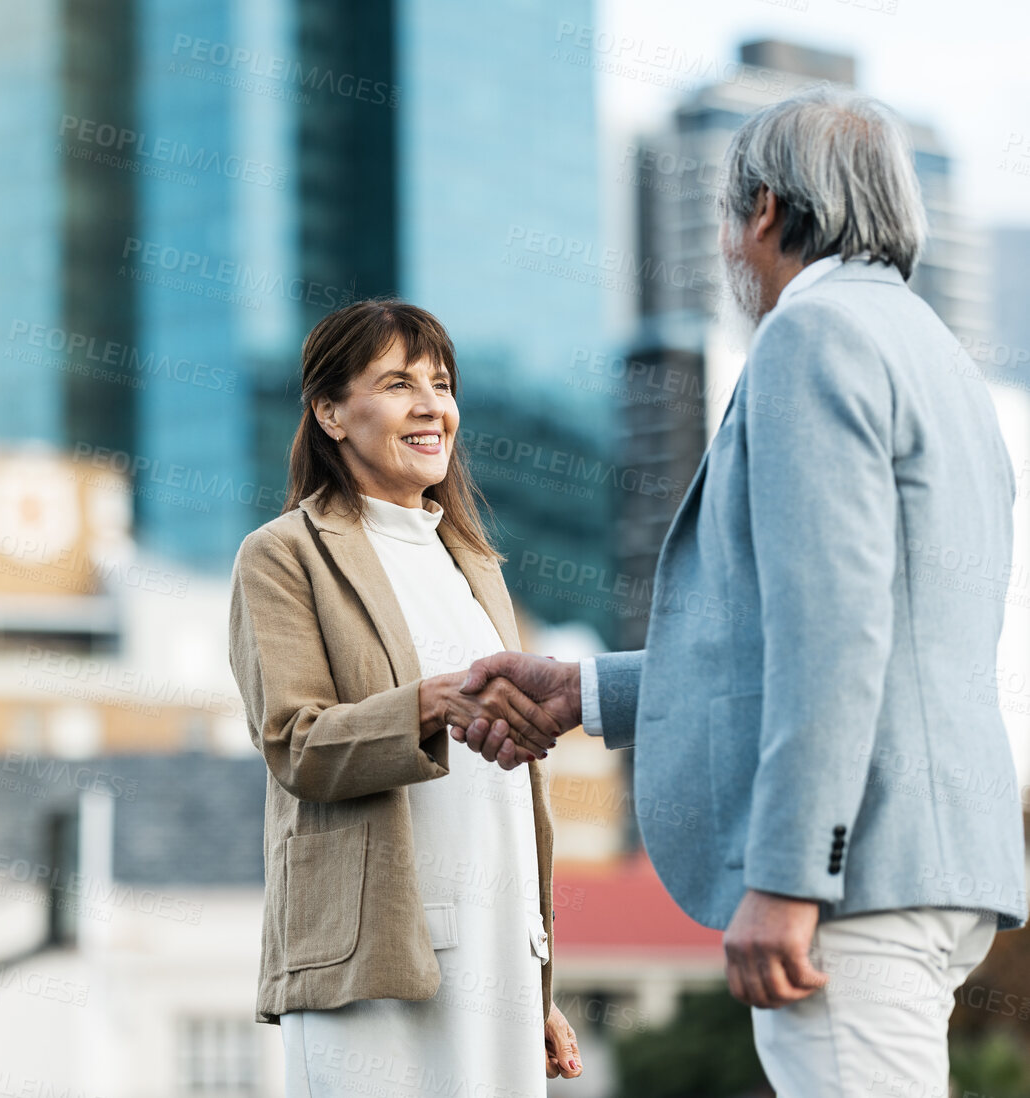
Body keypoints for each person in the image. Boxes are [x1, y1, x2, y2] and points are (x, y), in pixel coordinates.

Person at [456, 87, 1026, 1096]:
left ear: (762, 210)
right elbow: (846, 629)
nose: (723, 249)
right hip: (934, 861)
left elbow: (833, 633)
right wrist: (582, 693)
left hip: (852, 874)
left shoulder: (812, 343)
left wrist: (787, 876)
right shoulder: (938, 360)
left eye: (725, 219)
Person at [227, 298, 582, 1094]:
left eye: (442, 383)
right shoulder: (284, 555)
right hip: (374, 963)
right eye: (396, 383)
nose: (431, 406)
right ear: (329, 412)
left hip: (499, 962)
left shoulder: (475, 565)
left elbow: (501, 797)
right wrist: (430, 703)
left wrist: (540, 988)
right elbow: (297, 745)